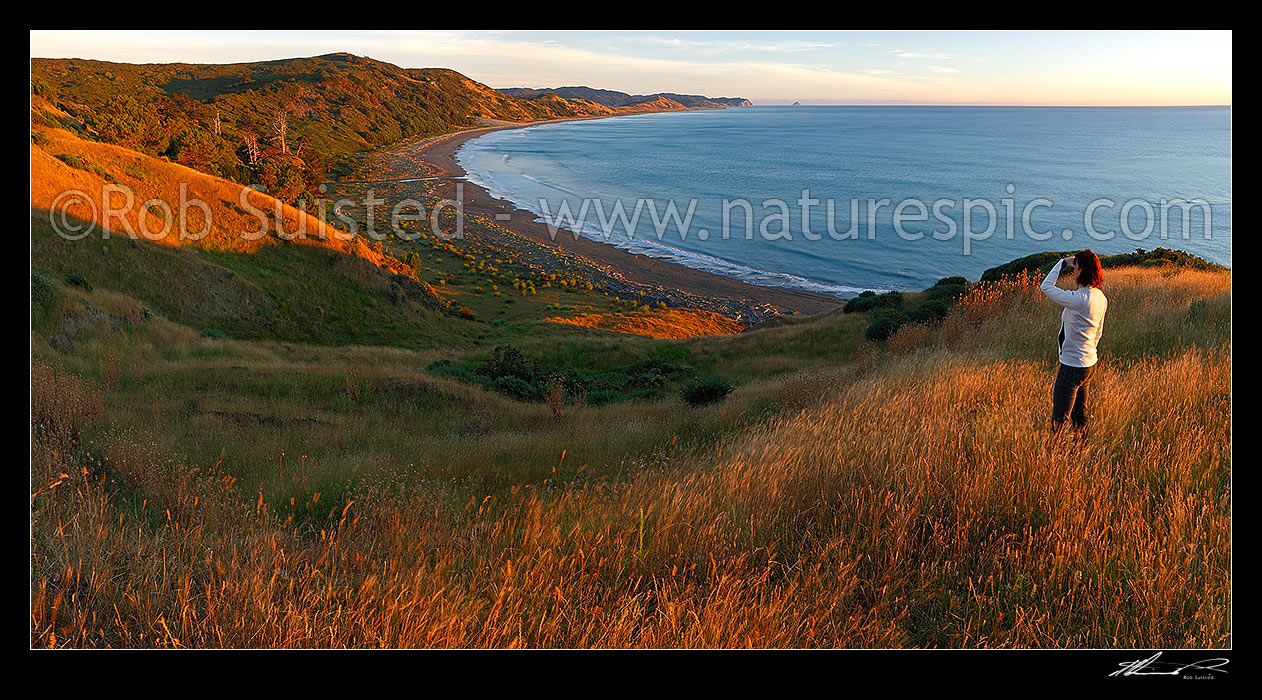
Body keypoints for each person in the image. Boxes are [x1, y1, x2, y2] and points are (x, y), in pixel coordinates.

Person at [1039, 250, 1107, 434]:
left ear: (1081, 270)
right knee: (1080, 417)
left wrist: (1062, 263)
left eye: (1075, 267)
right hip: (1089, 364)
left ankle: (1055, 458)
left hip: (1072, 366)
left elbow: (1045, 286)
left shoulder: (1079, 300)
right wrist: (1088, 352)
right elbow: (1098, 332)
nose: (1073, 270)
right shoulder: (1100, 297)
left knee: (1059, 420)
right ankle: (1080, 452)